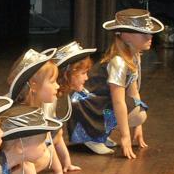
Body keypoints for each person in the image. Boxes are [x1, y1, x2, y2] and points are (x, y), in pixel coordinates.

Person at [68, 8, 159, 158]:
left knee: (139, 112)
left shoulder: (133, 56)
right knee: (135, 112)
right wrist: (125, 136)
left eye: (149, 33)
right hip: (89, 104)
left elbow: (133, 93)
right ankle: (92, 136)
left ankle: (101, 133)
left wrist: (138, 127)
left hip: (101, 101)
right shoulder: (119, 62)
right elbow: (118, 101)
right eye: (143, 33)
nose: (150, 36)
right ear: (127, 36)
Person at [6, 48, 61, 174]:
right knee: (41, 155)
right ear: (34, 86)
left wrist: (59, 172)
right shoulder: (20, 117)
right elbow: (25, 164)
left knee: (44, 154)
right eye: (52, 82)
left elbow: (52, 141)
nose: (57, 86)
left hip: (19, 164)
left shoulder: (36, 108)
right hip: (5, 170)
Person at [51, 41, 95, 174]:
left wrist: (66, 162)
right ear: (69, 73)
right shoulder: (50, 99)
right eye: (83, 73)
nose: (87, 77)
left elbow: (57, 133)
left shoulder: (61, 95)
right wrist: (58, 171)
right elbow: (47, 138)